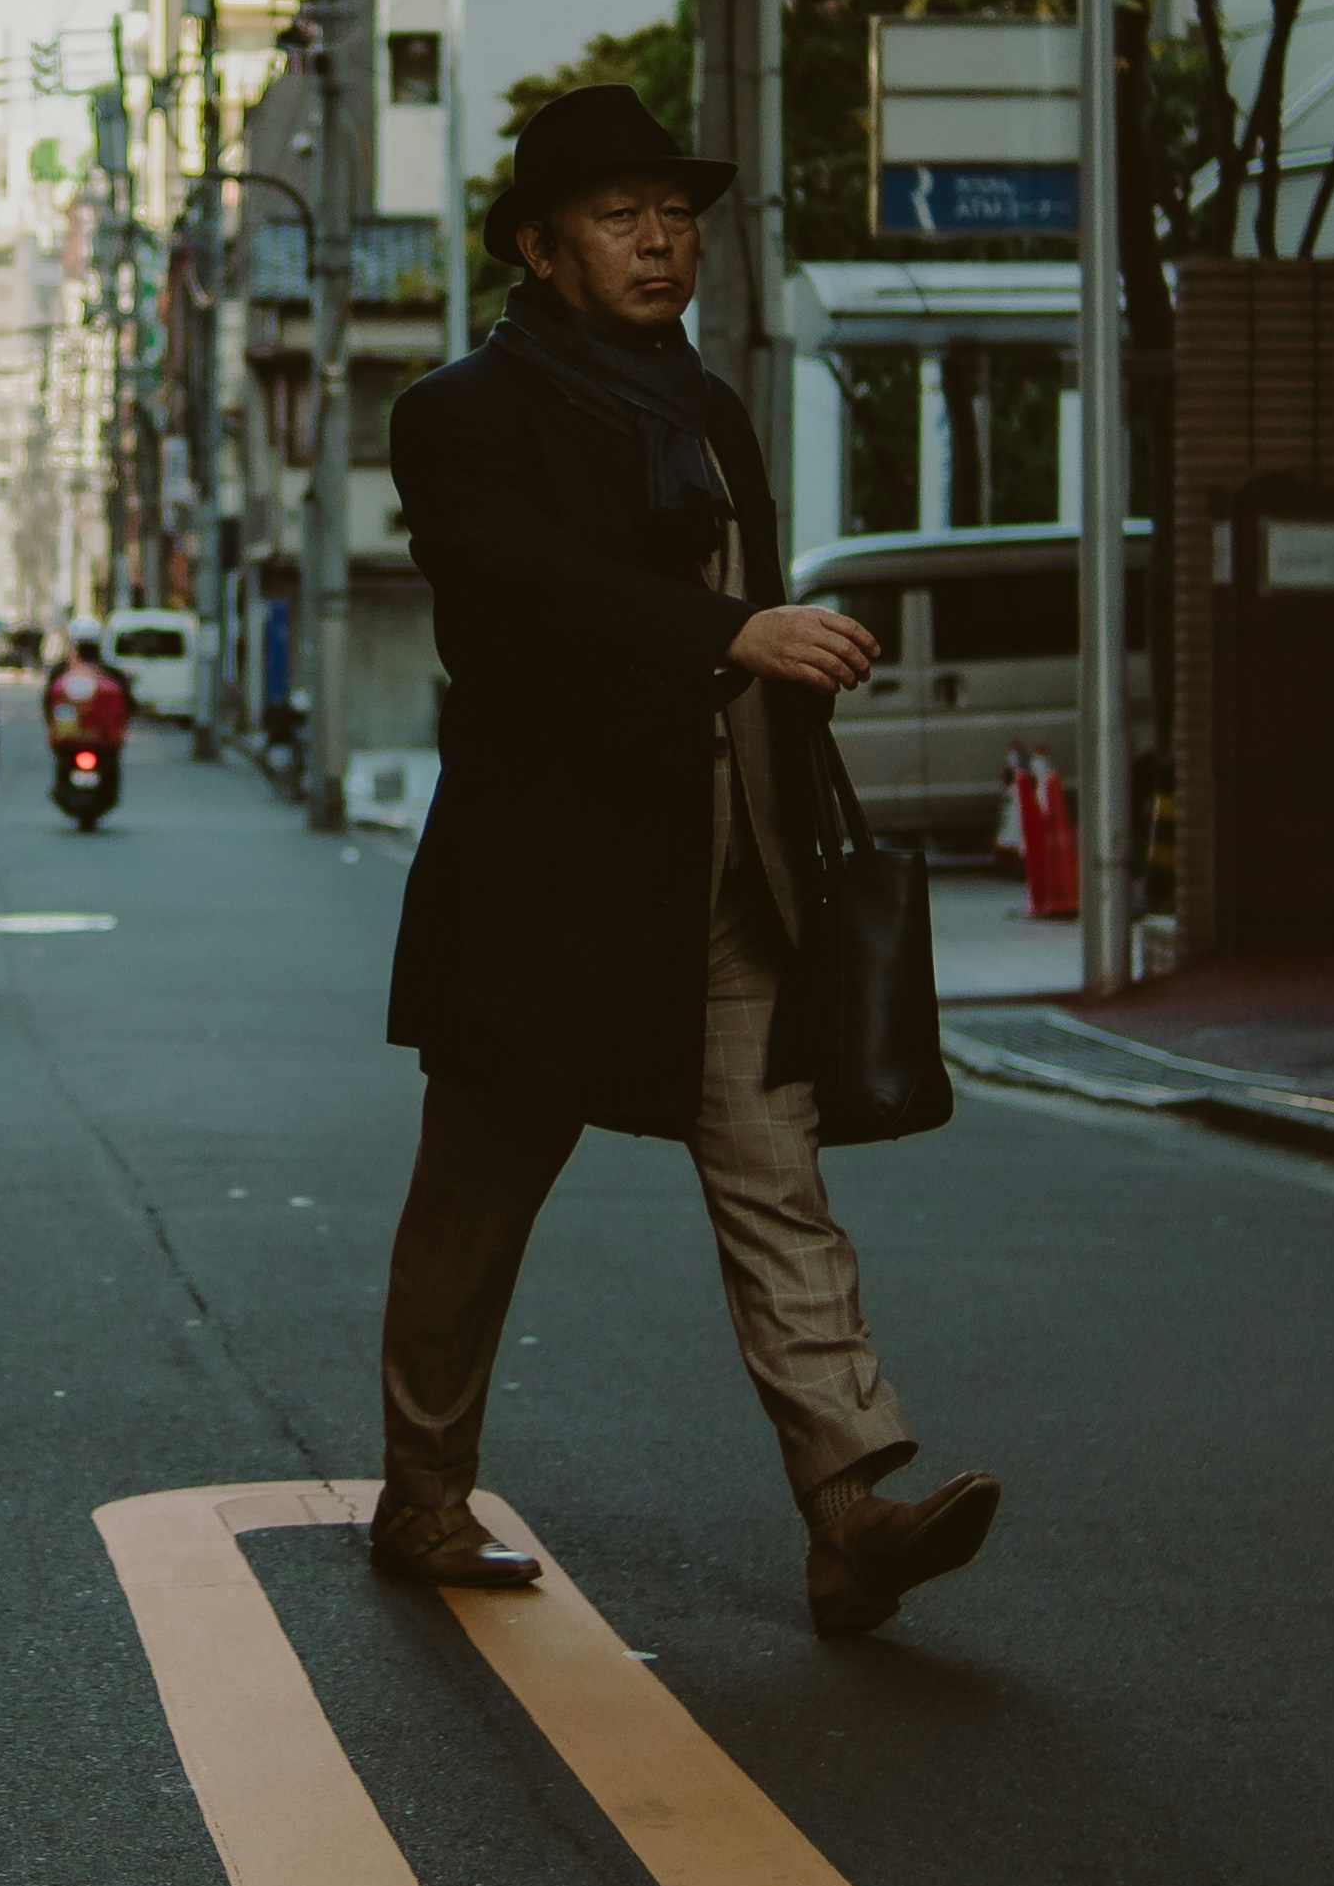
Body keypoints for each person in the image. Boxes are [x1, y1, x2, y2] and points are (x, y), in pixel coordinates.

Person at [370, 84, 1000, 1642]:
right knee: (476, 1205)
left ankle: (851, 1509)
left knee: (780, 1184)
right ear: (539, 246)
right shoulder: (461, 412)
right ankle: (425, 1495)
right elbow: (511, 590)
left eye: (678, 218)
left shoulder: (706, 409)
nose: (661, 244)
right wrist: (726, 633)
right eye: (618, 218)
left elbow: (762, 635)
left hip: (732, 873)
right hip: (549, 886)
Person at [40, 627, 133, 817]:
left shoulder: (61, 673)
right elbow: (129, 705)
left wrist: (52, 728)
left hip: (68, 741)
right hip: (105, 743)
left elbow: (47, 703)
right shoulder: (112, 673)